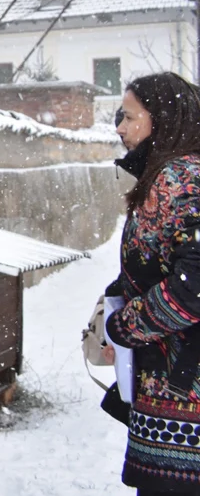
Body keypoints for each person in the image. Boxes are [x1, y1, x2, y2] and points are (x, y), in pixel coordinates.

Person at [105, 72, 200, 496]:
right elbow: (162, 261)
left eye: (127, 117)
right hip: (172, 389)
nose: (120, 128)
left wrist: (126, 325)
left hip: (185, 400)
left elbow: (193, 284)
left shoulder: (184, 180)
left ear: (160, 119)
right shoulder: (173, 174)